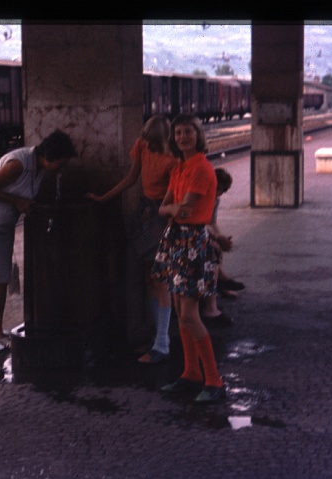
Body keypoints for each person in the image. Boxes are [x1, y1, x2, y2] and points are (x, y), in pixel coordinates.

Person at [0, 129, 78, 355]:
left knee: (1, 277)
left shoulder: (40, 168)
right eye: (60, 164)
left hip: (2, 225)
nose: (61, 169)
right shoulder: (19, 164)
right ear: (48, 156)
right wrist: (17, 201)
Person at [87, 115, 177, 363]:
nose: (145, 145)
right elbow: (131, 179)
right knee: (150, 277)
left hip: (162, 216)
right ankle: (158, 337)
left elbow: (174, 198)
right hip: (146, 213)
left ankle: (162, 344)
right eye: (144, 141)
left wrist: (171, 228)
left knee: (161, 280)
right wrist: (105, 197)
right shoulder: (141, 145)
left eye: (150, 142)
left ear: (162, 140)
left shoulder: (172, 162)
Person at [152, 114, 225, 403]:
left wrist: (172, 209)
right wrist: (172, 209)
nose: (183, 137)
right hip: (179, 241)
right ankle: (190, 373)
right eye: (179, 132)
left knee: (188, 314)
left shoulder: (200, 169)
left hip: (193, 242)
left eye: (188, 132)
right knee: (182, 314)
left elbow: (182, 210)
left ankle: (214, 380)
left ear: (198, 136)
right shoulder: (179, 169)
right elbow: (165, 208)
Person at [199, 167, 243, 327]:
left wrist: (221, 238)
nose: (219, 194)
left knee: (217, 250)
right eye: (218, 189)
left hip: (205, 231)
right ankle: (221, 283)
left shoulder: (215, 200)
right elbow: (200, 222)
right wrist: (216, 239)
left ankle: (221, 284)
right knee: (213, 253)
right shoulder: (202, 197)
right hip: (197, 232)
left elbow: (212, 222)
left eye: (222, 191)